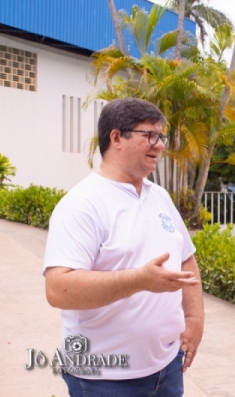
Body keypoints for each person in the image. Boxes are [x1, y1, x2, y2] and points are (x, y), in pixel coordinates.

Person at [43, 97, 204, 396]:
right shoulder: (81, 204)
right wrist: (139, 280)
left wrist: (194, 319)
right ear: (116, 137)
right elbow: (58, 289)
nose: (160, 145)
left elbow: (186, 259)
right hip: (104, 378)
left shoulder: (160, 197)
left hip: (167, 367)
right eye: (150, 135)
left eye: (162, 137)